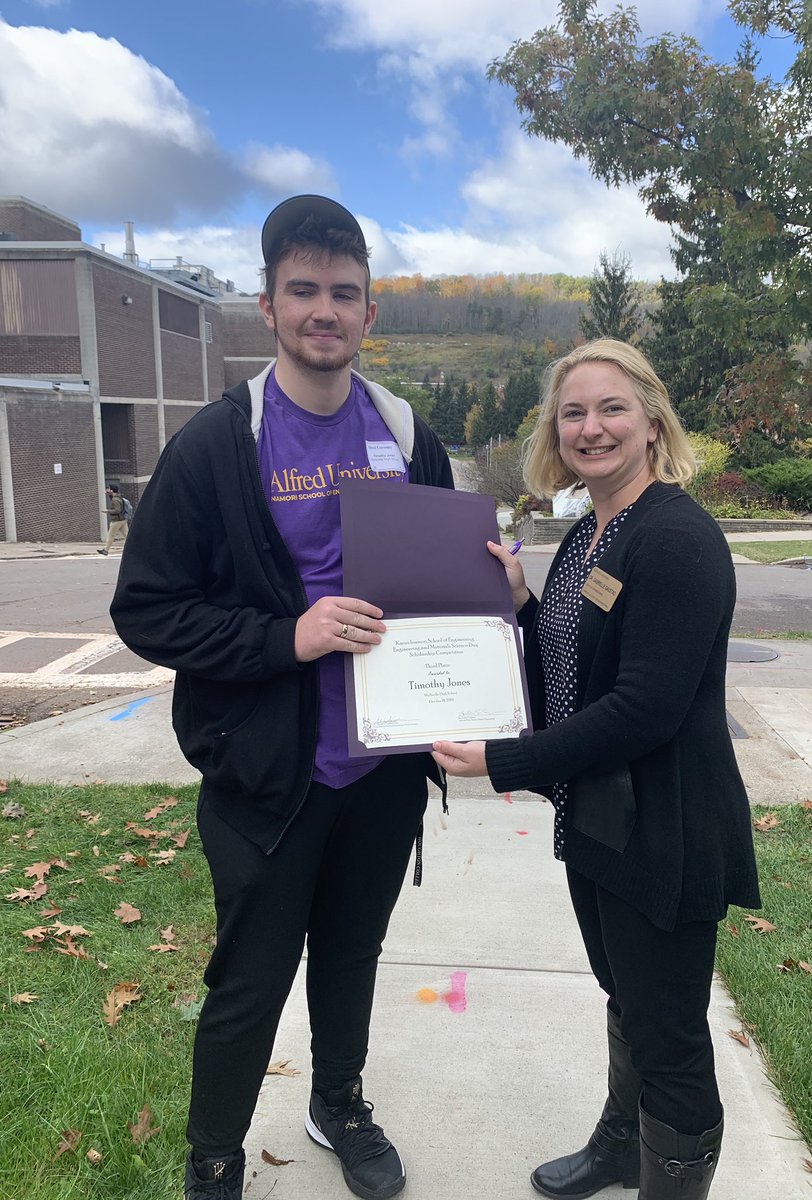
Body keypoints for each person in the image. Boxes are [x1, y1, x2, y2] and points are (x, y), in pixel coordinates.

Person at [111, 195, 453, 1200]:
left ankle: (337, 1103)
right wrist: (284, 638)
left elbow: (442, 581)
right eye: (303, 290)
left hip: (382, 766)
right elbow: (147, 609)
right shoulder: (218, 445)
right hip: (266, 772)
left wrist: (495, 591)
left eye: (344, 293)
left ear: (369, 311)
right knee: (250, 978)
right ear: (266, 305)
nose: (323, 311)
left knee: (352, 954)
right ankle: (214, 1157)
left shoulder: (405, 434)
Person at [433, 340, 760, 1200]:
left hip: (667, 828)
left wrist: (502, 761)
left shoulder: (678, 538)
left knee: (671, 1035)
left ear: (652, 421)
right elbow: (575, 672)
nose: (591, 428)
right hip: (602, 821)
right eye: (572, 412)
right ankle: (621, 1148)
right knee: (627, 996)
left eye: (612, 407)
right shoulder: (591, 532)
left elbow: (642, 711)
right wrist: (520, 604)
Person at [97, 483, 127, 555]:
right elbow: (113, 497)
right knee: (127, 535)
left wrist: (107, 511)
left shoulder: (115, 500)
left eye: (108, 488)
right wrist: (108, 494)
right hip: (123, 520)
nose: (107, 489)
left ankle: (105, 550)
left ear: (112, 490)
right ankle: (135, 547)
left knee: (110, 535)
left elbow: (117, 510)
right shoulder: (118, 497)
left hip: (117, 521)